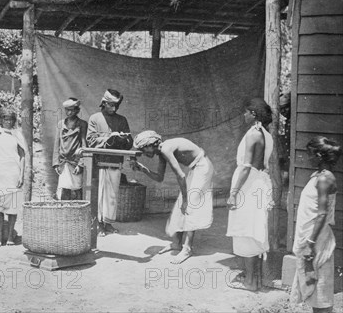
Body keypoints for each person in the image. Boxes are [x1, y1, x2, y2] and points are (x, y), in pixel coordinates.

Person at [132, 131, 214, 264]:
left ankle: (187, 248)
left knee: (190, 206)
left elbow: (180, 176)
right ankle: (176, 244)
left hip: (203, 167)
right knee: (180, 206)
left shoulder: (165, 149)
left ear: (152, 145)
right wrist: (142, 169)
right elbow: (159, 178)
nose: (143, 152)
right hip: (196, 168)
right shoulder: (161, 152)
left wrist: (186, 200)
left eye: (143, 148)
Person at [226, 97, 274, 291]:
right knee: (252, 230)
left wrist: (233, 193)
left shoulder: (254, 134)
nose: (244, 115)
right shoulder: (266, 134)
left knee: (246, 232)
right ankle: (254, 279)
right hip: (258, 183)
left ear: (253, 113)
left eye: (246, 112)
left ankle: (250, 282)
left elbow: (246, 167)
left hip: (249, 185)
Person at [290, 136, 340, 313]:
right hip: (311, 238)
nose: (307, 157)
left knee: (321, 294)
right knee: (313, 289)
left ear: (319, 155)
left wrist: (310, 245)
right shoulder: (319, 176)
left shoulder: (324, 179)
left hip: (316, 240)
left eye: (309, 154)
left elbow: (322, 214)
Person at [87, 89, 133, 236]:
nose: (114, 108)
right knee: (99, 194)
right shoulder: (95, 118)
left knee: (112, 196)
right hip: (99, 163)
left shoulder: (122, 120)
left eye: (116, 105)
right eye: (111, 105)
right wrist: (108, 138)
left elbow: (129, 142)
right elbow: (90, 140)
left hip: (115, 163)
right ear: (104, 103)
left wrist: (122, 139)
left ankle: (108, 224)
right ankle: (99, 224)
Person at [0, 108, 27, 246]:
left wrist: (21, 174)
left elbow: (22, 156)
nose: (8, 122)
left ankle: (10, 237)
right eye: (5, 119)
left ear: (14, 121)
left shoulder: (17, 135)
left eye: (10, 119)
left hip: (12, 173)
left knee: (12, 206)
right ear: (1, 120)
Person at [53, 98, 88, 200]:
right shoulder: (61, 124)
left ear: (77, 110)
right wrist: (56, 163)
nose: (69, 112)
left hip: (75, 162)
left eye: (72, 110)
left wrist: (81, 164)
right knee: (64, 189)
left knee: (77, 188)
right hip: (63, 163)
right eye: (67, 110)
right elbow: (57, 144)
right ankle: (65, 212)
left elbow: (84, 145)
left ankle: (78, 213)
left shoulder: (82, 124)